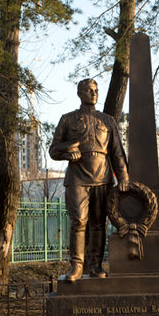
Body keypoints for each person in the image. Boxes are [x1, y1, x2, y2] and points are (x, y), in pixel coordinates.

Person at [50, 79, 129, 281]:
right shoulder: (67, 119)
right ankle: (76, 266)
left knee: (98, 223)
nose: (93, 93)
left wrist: (123, 177)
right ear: (80, 94)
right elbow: (54, 150)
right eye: (88, 90)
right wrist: (68, 154)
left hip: (102, 177)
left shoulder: (108, 121)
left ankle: (95, 265)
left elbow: (117, 153)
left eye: (95, 90)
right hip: (77, 178)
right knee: (78, 222)